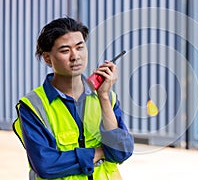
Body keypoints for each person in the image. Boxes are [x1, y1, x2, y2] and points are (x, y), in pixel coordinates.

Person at [13, 17, 134, 180]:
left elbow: (121, 152)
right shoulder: (33, 106)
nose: (75, 56)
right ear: (48, 58)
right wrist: (101, 152)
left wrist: (103, 97)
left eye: (80, 47)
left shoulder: (107, 98)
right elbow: (46, 165)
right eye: (65, 50)